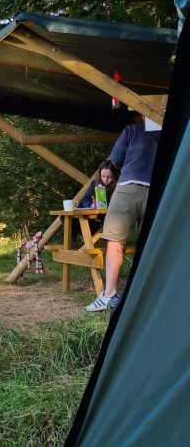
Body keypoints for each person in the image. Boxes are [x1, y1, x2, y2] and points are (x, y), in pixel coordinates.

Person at [85, 118, 161, 313]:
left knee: (115, 241)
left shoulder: (133, 129)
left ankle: (109, 295)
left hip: (128, 188)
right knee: (150, 244)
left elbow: (116, 160)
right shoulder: (173, 129)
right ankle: (148, 297)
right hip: (158, 191)